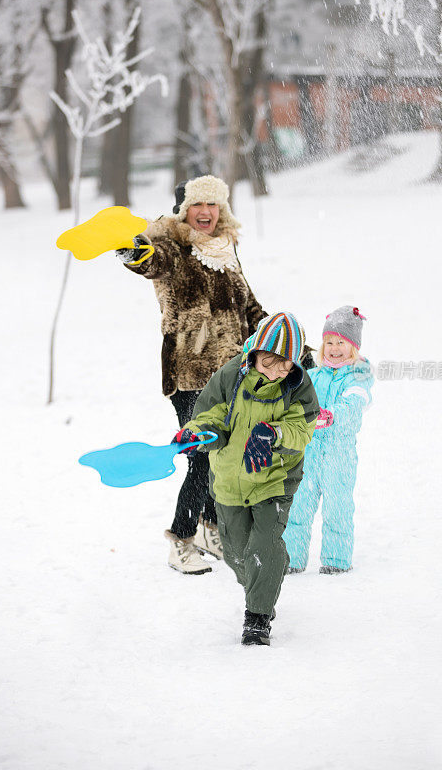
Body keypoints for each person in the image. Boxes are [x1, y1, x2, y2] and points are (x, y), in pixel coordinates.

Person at [116, 175, 268, 575]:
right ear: (183, 210)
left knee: (224, 453)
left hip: (231, 372)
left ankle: (210, 529)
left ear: (223, 210)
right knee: (201, 458)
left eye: (213, 205)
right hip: (190, 373)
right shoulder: (174, 247)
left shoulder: (226, 249)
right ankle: (181, 541)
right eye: (197, 205)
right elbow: (150, 260)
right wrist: (131, 249)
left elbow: (249, 307)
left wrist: (284, 341)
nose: (205, 213)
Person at [171, 312, 319, 645]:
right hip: (229, 481)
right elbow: (211, 416)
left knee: (263, 546)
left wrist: (274, 433)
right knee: (237, 553)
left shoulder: (298, 385)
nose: (277, 371)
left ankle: (258, 618)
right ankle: (265, 579)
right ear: (254, 354)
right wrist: (197, 434)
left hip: (274, 480)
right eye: (270, 362)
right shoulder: (229, 377)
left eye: (286, 365)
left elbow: (302, 427)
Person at [283, 306, 374, 574]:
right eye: (329, 342)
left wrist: (332, 415)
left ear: (353, 346)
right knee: (298, 508)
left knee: (337, 509)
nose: (334, 348)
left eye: (341, 343)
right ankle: (291, 559)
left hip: (339, 456)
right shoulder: (313, 375)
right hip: (308, 455)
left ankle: (335, 560)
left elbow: (356, 402)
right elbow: (295, 400)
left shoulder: (359, 376)